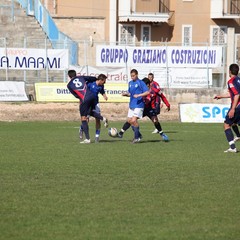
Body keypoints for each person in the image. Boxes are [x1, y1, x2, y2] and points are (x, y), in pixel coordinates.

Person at [67, 70, 108, 144]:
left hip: (84, 98)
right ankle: (102, 118)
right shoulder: (81, 77)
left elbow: (75, 94)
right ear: (76, 74)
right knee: (88, 113)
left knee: (84, 118)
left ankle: (88, 139)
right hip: (92, 96)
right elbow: (90, 78)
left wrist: (81, 98)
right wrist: (96, 78)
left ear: (69, 76)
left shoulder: (69, 85)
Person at [117, 69, 149, 143]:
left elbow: (147, 92)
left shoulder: (141, 83)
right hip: (132, 104)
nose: (132, 77)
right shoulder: (130, 83)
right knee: (129, 121)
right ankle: (139, 135)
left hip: (139, 105)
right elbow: (130, 94)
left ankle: (136, 138)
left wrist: (139, 95)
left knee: (134, 120)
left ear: (137, 75)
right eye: (131, 76)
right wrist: (126, 94)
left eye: (133, 76)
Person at [214, 63, 240, 153]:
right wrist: (221, 96)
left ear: (229, 71)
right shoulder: (238, 80)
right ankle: (238, 135)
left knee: (226, 125)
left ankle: (232, 147)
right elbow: (233, 93)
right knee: (233, 123)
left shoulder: (231, 81)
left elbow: (236, 94)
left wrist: (233, 109)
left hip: (237, 106)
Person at [79, 74, 108, 143]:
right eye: (104, 81)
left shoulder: (101, 86)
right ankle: (81, 128)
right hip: (88, 103)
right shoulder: (90, 83)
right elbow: (83, 91)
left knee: (97, 119)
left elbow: (102, 91)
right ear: (100, 80)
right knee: (86, 119)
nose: (104, 83)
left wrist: (104, 96)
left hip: (95, 102)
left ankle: (97, 136)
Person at [141, 77, 169, 142]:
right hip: (143, 109)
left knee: (155, 121)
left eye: (144, 85)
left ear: (148, 84)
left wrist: (167, 104)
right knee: (132, 120)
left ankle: (162, 134)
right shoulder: (141, 91)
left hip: (151, 109)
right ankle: (125, 133)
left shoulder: (155, 90)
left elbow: (162, 96)